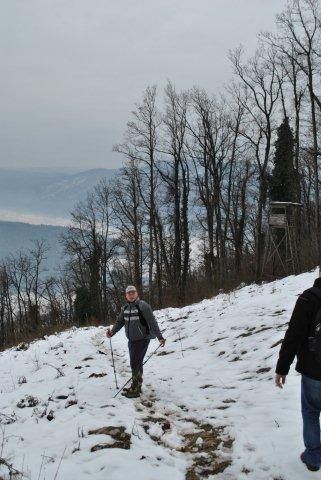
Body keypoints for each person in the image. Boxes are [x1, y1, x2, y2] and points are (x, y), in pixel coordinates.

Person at [275, 273, 321, 472]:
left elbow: (293, 334)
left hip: (314, 370)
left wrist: (282, 368)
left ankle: (313, 458)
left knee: (311, 412)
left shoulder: (309, 298)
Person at [107, 285, 166, 398]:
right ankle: (136, 386)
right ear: (126, 295)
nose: (131, 294)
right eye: (129, 293)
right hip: (132, 340)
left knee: (135, 363)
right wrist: (112, 332)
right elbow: (119, 322)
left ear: (137, 293)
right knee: (136, 363)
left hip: (142, 339)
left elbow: (153, 322)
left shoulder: (143, 306)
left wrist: (160, 337)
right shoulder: (125, 308)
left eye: (133, 292)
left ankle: (136, 389)